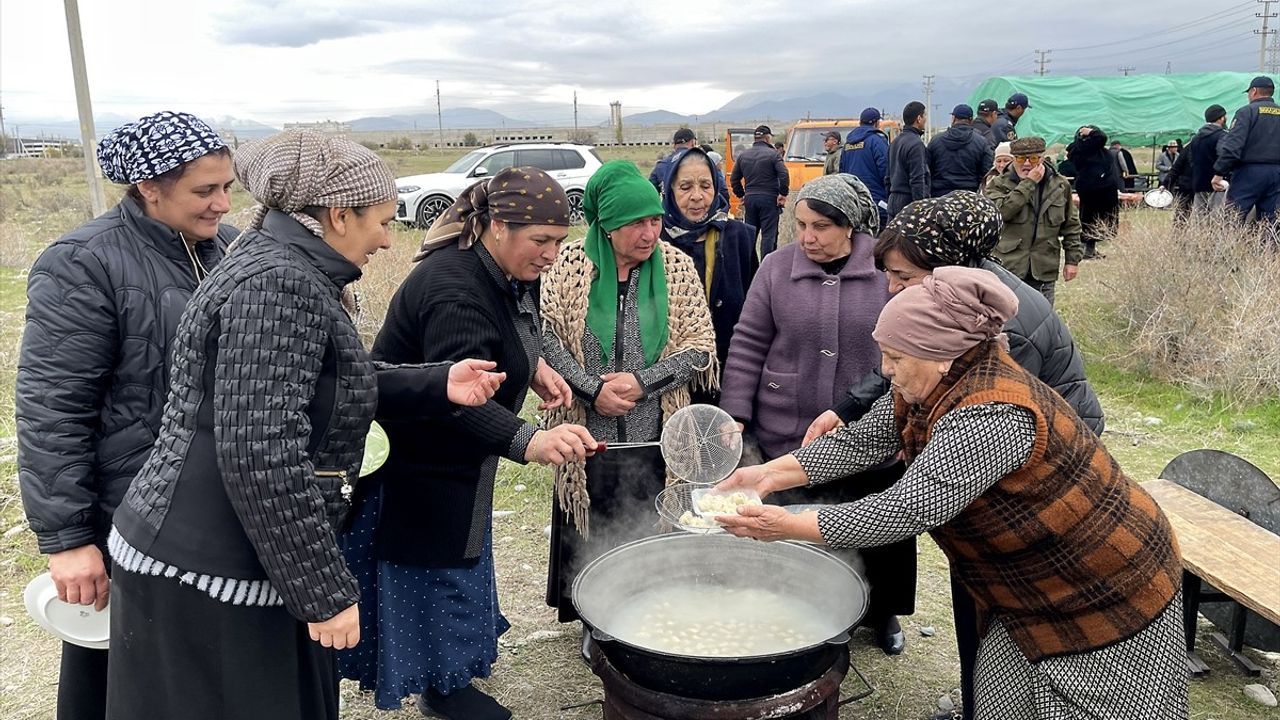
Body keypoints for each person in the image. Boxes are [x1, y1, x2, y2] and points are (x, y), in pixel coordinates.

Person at [103, 130, 508, 719]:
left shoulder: (279, 262)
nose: (389, 239)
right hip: (211, 570)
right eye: (383, 221)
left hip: (238, 552)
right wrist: (323, 593)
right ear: (339, 216)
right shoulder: (277, 284)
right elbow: (262, 455)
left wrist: (434, 382)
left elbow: (314, 378)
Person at [717, 266, 1186, 720]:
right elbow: (860, 441)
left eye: (896, 358)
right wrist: (767, 477)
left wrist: (782, 527)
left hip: (1105, 583)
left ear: (940, 352)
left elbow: (905, 510)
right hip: (1019, 586)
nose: (886, 369)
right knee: (1002, 702)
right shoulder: (930, 383)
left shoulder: (994, 412)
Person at [807, 192, 1104, 720]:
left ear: (948, 266)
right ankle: (980, 699)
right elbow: (898, 379)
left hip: (1052, 501)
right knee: (982, 599)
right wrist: (845, 414)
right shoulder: (951, 315)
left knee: (1019, 615)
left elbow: (913, 504)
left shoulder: (1004, 342)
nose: (892, 288)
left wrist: (776, 521)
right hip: (994, 477)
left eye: (902, 275)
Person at [340, 166, 597, 719]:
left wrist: (534, 369)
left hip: (459, 458)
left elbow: (506, 339)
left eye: (559, 241)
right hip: (421, 457)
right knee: (436, 567)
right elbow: (456, 402)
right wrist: (528, 439)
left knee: (462, 555)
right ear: (497, 227)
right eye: (541, 241)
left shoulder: (500, 269)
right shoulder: (455, 289)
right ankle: (443, 686)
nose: (552, 255)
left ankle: (450, 672)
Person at [16, 110, 236, 720]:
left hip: (209, 510)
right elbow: (52, 409)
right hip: (128, 514)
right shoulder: (84, 263)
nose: (221, 203)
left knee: (194, 674)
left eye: (227, 186)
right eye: (204, 190)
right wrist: (68, 540)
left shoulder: (229, 250)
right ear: (149, 186)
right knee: (115, 673)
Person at [719, 174, 912, 654]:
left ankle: (880, 611)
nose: (808, 237)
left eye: (822, 226)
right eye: (801, 224)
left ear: (852, 226)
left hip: (868, 426)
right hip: (786, 422)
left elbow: (906, 351)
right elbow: (747, 343)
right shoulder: (775, 267)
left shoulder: (887, 271)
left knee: (874, 522)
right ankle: (789, 608)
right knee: (788, 525)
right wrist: (736, 412)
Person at [540, 160, 718, 632]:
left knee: (648, 520)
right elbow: (546, 339)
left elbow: (700, 348)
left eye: (655, 219)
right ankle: (594, 619)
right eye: (634, 223)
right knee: (591, 523)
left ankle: (647, 609)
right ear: (606, 225)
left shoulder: (677, 266)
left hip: (655, 433)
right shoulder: (568, 265)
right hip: (586, 432)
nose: (649, 232)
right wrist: (590, 388)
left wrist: (644, 382)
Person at [658, 147, 759, 376]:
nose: (697, 196)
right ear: (670, 190)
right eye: (685, 187)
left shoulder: (740, 237)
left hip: (731, 368)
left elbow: (756, 309)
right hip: (670, 372)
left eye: (705, 186)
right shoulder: (656, 241)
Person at [985, 137, 1083, 305]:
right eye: (1021, 159)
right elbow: (1001, 213)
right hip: (1009, 267)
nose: (1027, 164)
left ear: (1042, 159)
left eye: (1033, 158)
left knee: (1043, 320)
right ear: (1014, 159)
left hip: (1044, 266)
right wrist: (1029, 183)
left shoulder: (1059, 185)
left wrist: (1072, 260)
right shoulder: (998, 184)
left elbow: (1071, 226)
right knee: (1008, 320)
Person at [1214, 75, 1280, 223]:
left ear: (1254, 91)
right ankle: (1266, 247)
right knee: (1271, 222)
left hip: (1249, 172)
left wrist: (1219, 172)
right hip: (1277, 173)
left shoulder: (1246, 112)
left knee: (1233, 217)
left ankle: (1229, 246)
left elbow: (1233, 146)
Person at [731, 124, 790, 257]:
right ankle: (766, 269)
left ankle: (749, 269)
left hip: (750, 199)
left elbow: (734, 179)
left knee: (750, 235)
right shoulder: (774, 154)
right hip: (770, 199)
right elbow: (784, 174)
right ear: (768, 138)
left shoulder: (743, 155)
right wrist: (783, 194)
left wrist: (742, 195)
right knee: (768, 236)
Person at [1067, 125, 1120, 259]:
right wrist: (1092, 132)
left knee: (1096, 218)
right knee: (1091, 218)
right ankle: (1087, 250)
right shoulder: (1084, 149)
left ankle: (1090, 249)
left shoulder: (1092, 149)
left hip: (1101, 188)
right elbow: (1101, 137)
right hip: (1096, 189)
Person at [927, 104, 994, 197]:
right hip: (969, 195)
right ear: (971, 120)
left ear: (953, 118)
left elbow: (927, 169)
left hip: (939, 194)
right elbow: (986, 170)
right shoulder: (981, 142)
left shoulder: (936, 141)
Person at [840, 107, 892, 226]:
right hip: (876, 201)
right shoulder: (877, 141)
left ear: (860, 122)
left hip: (853, 200)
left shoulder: (847, 145)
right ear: (877, 123)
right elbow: (886, 170)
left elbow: (842, 173)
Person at [887, 101, 930, 218]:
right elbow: (917, 179)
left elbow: (887, 177)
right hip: (908, 201)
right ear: (919, 118)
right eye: (924, 115)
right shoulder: (916, 144)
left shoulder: (895, 142)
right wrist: (920, 208)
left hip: (893, 199)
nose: (926, 119)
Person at [1185, 104, 1229, 213]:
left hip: (1199, 182)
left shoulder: (1196, 137)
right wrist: (1221, 174)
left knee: (1200, 219)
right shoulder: (1222, 135)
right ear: (1221, 118)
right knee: (1216, 218)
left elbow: (1190, 159)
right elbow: (1223, 156)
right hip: (1217, 183)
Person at [649, 127, 698, 192]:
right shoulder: (702, 161)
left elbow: (650, 191)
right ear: (693, 142)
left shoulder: (660, 165)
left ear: (674, 145)